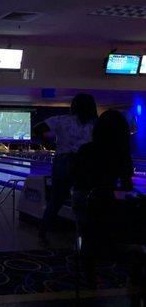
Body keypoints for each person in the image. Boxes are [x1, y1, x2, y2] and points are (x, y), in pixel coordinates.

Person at [70, 110, 134, 284]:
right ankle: (129, 265)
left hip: (86, 200)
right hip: (107, 200)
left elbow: (75, 178)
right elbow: (127, 185)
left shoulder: (85, 150)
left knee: (87, 231)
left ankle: (89, 270)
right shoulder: (122, 154)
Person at [34, 94, 98, 239]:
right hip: (84, 162)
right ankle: (84, 235)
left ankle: (42, 232)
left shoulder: (62, 120)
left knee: (56, 199)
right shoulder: (94, 124)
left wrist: (47, 144)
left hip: (63, 161)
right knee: (83, 198)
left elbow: (37, 128)